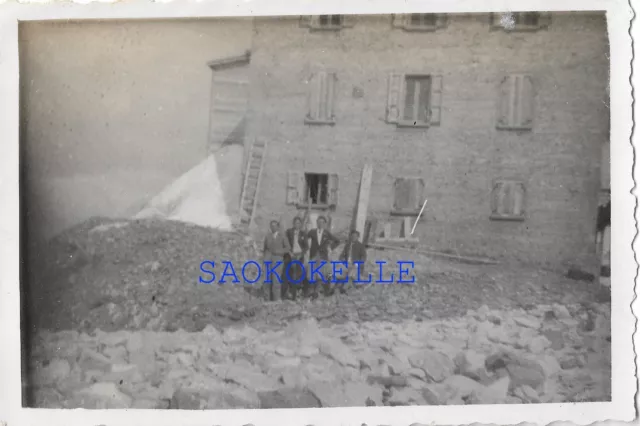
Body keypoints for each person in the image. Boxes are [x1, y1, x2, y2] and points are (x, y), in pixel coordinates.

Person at [305, 215, 340, 298]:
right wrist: (306, 247)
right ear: (316, 223)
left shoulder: (326, 233)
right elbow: (305, 237)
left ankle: (317, 292)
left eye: (322, 222)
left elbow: (337, 241)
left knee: (320, 273)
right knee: (311, 272)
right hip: (313, 254)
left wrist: (330, 248)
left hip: (323, 255)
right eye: (319, 222)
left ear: (324, 223)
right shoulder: (312, 231)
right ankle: (311, 290)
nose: (320, 224)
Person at [263, 220, 291, 301]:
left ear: (278, 227)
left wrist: (279, 251)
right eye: (271, 226)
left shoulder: (282, 236)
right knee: (266, 280)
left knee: (276, 281)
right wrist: (265, 258)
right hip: (268, 260)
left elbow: (288, 248)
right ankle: (266, 300)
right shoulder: (267, 236)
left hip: (278, 260)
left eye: (275, 225)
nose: (273, 227)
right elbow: (264, 248)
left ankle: (276, 300)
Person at [284, 217, 308, 300]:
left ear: (300, 224)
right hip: (290, 255)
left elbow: (306, 247)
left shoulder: (303, 233)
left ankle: (294, 295)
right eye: (295, 223)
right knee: (287, 274)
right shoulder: (288, 232)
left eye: (299, 223)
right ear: (293, 224)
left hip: (299, 256)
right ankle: (285, 294)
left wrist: (301, 254)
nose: (297, 224)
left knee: (296, 276)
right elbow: (285, 243)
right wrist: (290, 253)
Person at [337, 229, 368, 294]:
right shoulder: (347, 245)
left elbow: (364, 257)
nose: (353, 237)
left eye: (355, 236)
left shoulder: (361, 246)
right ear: (350, 236)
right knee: (337, 271)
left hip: (356, 265)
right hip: (346, 264)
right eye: (352, 236)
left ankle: (344, 288)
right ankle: (334, 287)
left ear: (358, 237)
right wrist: (341, 260)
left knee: (352, 273)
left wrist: (357, 263)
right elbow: (342, 254)